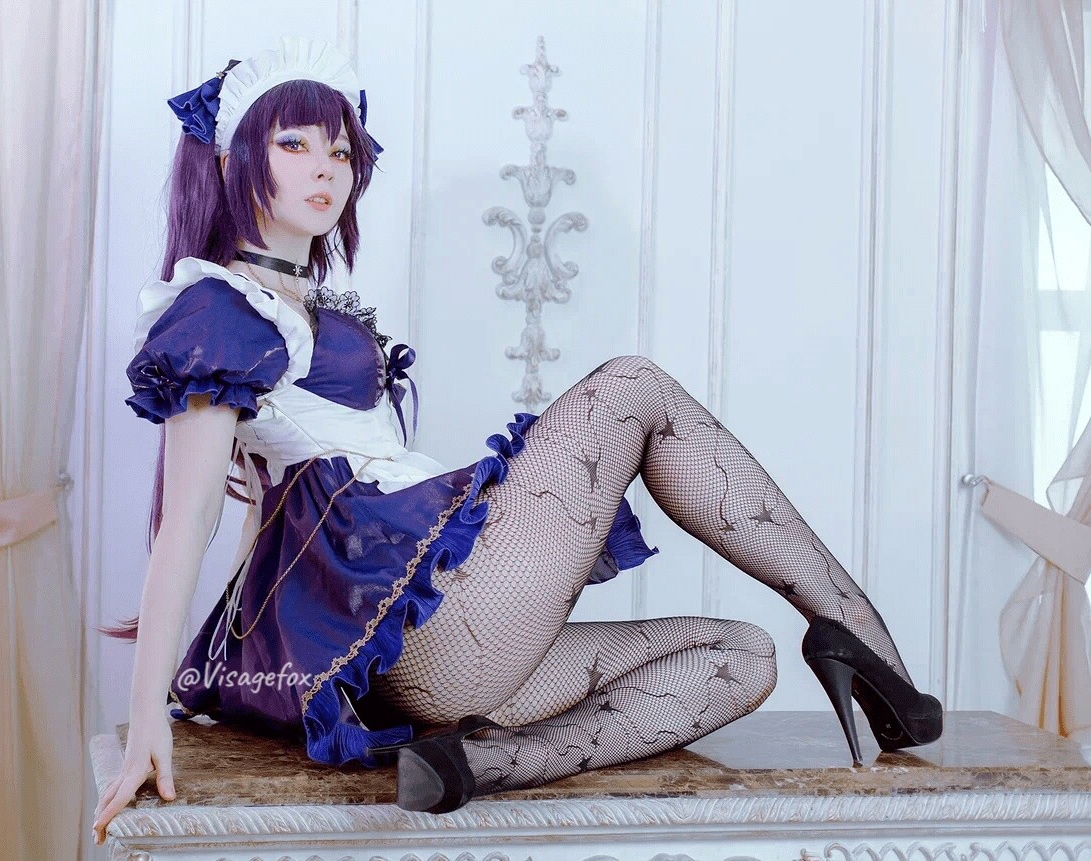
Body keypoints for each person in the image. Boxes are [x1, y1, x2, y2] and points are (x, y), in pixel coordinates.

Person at [92, 36, 943, 840]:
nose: (327, 168)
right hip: (419, 620)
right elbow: (191, 517)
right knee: (633, 387)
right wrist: (148, 719)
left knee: (742, 656)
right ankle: (857, 626)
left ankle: (478, 764)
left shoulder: (304, 307)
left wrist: (272, 662)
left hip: (434, 662)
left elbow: (267, 518)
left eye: (342, 150)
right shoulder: (215, 307)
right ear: (232, 159)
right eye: (295, 144)